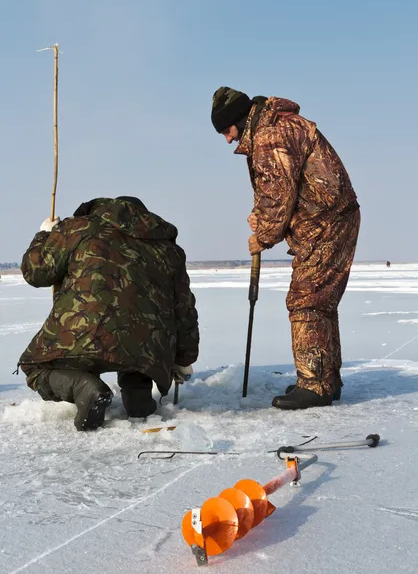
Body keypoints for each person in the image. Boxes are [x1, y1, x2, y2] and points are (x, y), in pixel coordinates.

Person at [211, 87, 360, 410]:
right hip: (328, 219)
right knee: (319, 301)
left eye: (226, 130)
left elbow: (278, 196)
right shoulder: (275, 127)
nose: (227, 139)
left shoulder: (270, 136)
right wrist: (260, 216)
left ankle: (316, 385)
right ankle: (324, 379)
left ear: (238, 120)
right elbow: (280, 188)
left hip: (326, 221)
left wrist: (262, 235)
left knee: (306, 300)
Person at [18, 196, 199, 430]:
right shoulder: (167, 247)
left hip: (82, 330)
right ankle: (138, 398)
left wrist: (46, 235)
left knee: (35, 366)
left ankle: (84, 386)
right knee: (138, 352)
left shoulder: (79, 227)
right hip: (149, 345)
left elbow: (36, 272)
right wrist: (184, 359)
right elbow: (183, 309)